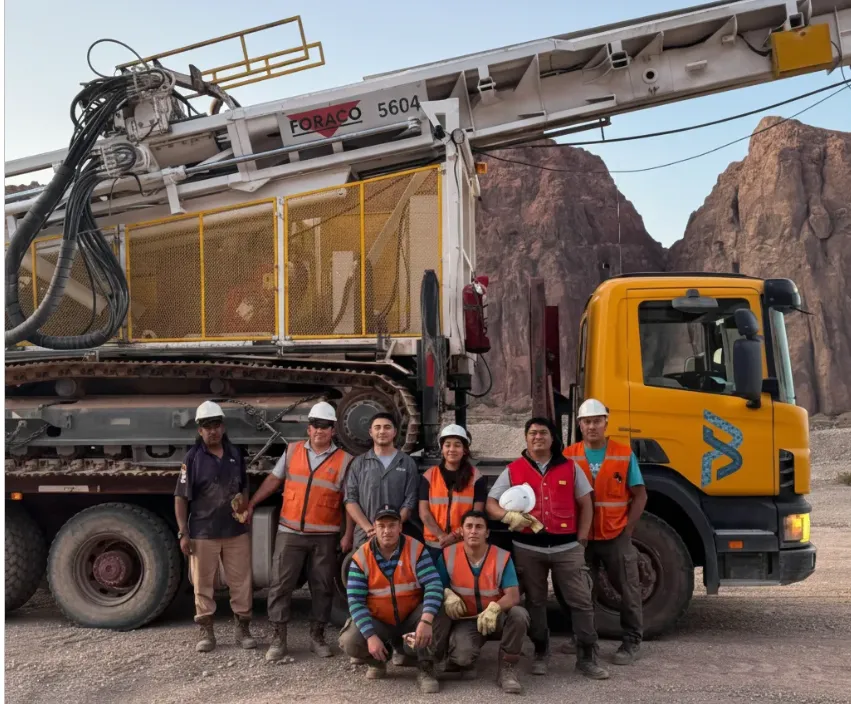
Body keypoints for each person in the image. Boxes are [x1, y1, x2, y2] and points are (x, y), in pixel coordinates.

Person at [486, 416, 609, 680]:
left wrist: (582, 539)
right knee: (536, 602)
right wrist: (507, 517)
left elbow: (586, 504)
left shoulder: (571, 469)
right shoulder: (513, 469)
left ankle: (587, 656)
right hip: (528, 548)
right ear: (526, 438)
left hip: (567, 548)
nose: (537, 437)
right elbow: (491, 504)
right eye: (532, 433)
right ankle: (541, 651)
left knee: (581, 602)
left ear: (553, 438)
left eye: (542, 433)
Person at [246, 401, 354, 661]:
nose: (320, 430)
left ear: (333, 430)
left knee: (322, 587)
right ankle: (278, 640)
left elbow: (350, 501)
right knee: (280, 585)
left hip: (325, 535)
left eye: (325, 426)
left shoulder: (345, 460)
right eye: (316, 425)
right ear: (309, 429)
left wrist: (348, 534)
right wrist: (252, 503)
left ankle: (317, 638)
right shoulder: (292, 451)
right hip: (290, 532)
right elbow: (273, 480)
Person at [563, 398, 648, 665]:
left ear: (606, 423)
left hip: (615, 535)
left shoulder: (623, 454)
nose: (592, 426)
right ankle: (581, 637)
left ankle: (632, 640)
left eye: (597, 421)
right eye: (587, 421)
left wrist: (628, 530)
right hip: (582, 536)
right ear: (579, 424)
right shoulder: (569, 455)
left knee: (628, 588)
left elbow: (640, 495)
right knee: (580, 591)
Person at [174, 400, 256, 653]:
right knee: (203, 583)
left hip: (235, 531)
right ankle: (207, 632)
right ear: (199, 430)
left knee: (241, 582)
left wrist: (244, 507)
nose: (212, 430)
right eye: (206, 426)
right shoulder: (193, 458)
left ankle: (242, 628)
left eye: (216, 425)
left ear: (223, 427)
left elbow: (243, 486)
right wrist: (183, 532)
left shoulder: (235, 454)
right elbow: (180, 497)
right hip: (203, 532)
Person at [339, 505, 444, 693]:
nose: (387, 530)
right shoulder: (361, 557)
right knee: (350, 640)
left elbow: (434, 585)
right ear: (374, 528)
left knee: (438, 611)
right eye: (381, 525)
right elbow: (355, 600)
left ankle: (426, 666)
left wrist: (426, 620)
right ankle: (378, 660)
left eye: (392, 525)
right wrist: (371, 637)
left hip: (411, 616)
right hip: (381, 621)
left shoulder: (416, 549)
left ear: (400, 527)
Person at [433, 510, 528, 694]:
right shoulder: (448, 555)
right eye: (469, 526)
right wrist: (447, 593)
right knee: (462, 658)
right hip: (468, 619)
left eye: (479, 527)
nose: (474, 531)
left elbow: (513, 595)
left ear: (487, 532)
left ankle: (507, 670)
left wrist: (496, 608)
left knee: (519, 614)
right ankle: (453, 656)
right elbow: (436, 586)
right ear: (462, 531)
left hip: (496, 617)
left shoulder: (501, 557)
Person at [345, 412, 419, 549]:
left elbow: (410, 500)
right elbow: (350, 500)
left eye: (387, 427)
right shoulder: (359, 463)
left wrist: (393, 527)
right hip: (365, 534)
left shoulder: (407, 463)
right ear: (370, 432)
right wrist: (369, 528)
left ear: (395, 432)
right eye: (377, 427)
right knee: (364, 569)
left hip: (396, 535)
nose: (382, 431)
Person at [418, 424, 488, 561]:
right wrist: (441, 536)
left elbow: (477, 514)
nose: (452, 449)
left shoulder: (476, 478)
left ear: (464, 450)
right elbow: (424, 512)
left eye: (457, 445)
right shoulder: (429, 476)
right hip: (434, 546)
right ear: (442, 448)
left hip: (464, 544)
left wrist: (455, 535)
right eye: (447, 445)